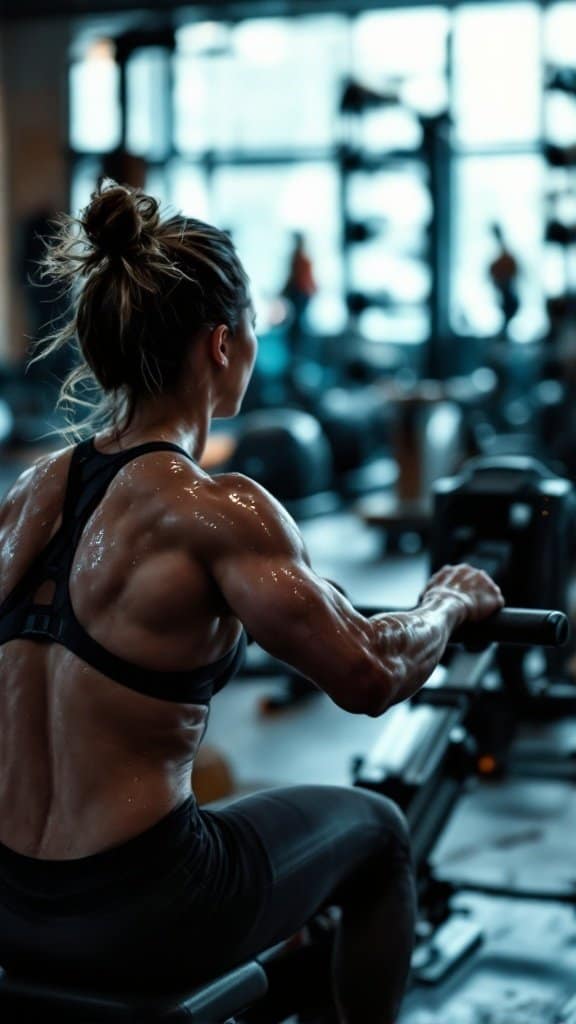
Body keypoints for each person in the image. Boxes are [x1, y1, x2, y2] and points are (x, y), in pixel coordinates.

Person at [0, 180, 504, 1024]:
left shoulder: (25, 497)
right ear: (222, 342)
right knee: (379, 831)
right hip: (143, 909)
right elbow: (371, 674)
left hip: (11, 907)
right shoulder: (219, 509)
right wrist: (449, 604)